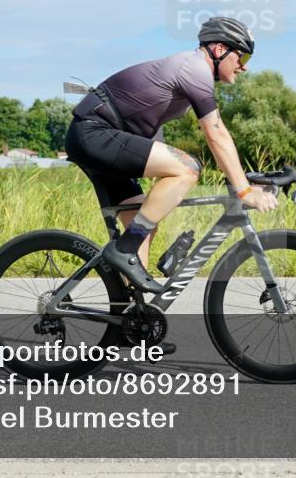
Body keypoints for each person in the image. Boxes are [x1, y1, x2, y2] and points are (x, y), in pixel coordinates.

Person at [64, 16, 279, 300]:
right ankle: (124, 251)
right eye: (243, 55)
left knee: (143, 223)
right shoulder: (194, 68)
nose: (245, 66)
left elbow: (153, 132)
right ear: (219, 49)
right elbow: (216, 133)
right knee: (188, 168)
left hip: (103, 136)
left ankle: (131, 315)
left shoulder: (187, 72)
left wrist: (244, 178)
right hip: (94, 134)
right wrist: (245, 191)